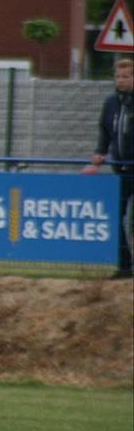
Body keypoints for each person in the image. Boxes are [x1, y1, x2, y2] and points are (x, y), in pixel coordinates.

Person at [91, 58, 134, 279]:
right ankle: (125, 266)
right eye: (118, 76)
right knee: (116, 216)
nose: (121, 80)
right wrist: (100, 152)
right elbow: (105, 130)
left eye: (126, 76)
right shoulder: (111, 103)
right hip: (121, 169)